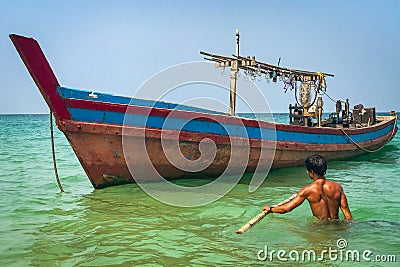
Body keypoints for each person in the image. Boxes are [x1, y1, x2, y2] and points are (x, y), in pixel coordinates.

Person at [263, 154, 353, 220]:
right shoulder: (337, 187)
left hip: (320, 228)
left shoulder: (307, 190)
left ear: (312, 171)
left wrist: (271, 209)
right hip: (336, 228)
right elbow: (347, 214)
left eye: (307, 170)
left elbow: (287, 208)